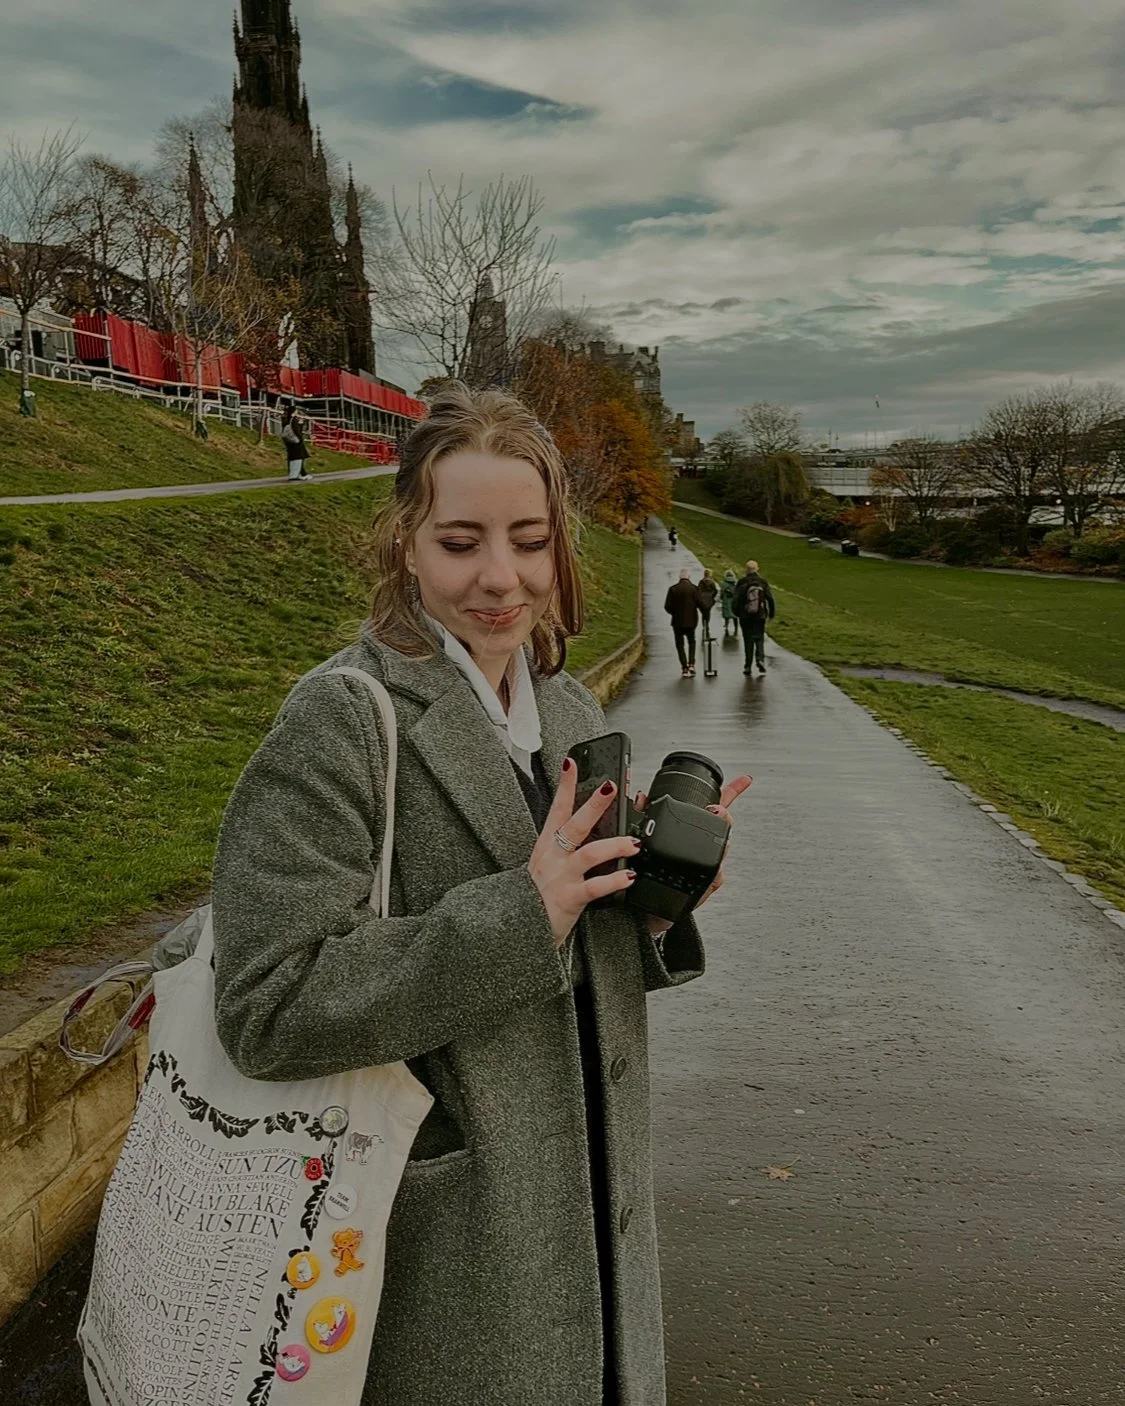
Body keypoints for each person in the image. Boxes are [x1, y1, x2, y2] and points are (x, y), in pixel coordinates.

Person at [210, 382, 752, 1406]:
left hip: (600, 1262)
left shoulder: (567, 703)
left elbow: (575, 957)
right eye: (461, 541)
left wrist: (661, 907)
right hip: (452, 1278)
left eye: (529, 540)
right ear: (407, 542)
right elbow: (266, 1003)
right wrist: (525, 911)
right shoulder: (341, 719)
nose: (501, 577)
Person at [732, 558, 776, 675]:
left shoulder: (742, 582)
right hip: (759, 616)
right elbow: (770, 599)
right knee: (759, 638)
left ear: (746, 570)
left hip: (745, 617)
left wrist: (737, 613)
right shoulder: (762, 582)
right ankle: (760, 659)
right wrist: (771, 613)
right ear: (757, 569)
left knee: (748, 640)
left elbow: (735, 600)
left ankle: (748, 666)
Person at [664, 566, 704, 678]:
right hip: (691, 621)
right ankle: (691, 663)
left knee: (680, 644)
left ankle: (684, 667)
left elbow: (667, 606)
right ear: (689, 577)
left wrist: (674, 613)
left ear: (679, 577)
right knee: (692, 641)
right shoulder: (694, 589)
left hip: (677, 621)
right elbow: (700, 604)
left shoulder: (673, 589)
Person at [281, 402, 311, 480]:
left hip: (288, 441)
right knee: (299, 457)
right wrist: (301, 425)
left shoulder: (285, 419)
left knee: (292, 458)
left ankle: (295, 474)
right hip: (295, 441)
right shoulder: (293, 420)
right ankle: (299, 474)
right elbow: (297, 431)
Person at [696, 569, 719, 638]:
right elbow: (715, 590)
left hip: (702, 600)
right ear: (710, 574)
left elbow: (698, 590)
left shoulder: (701, 582)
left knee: (703, 613)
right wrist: (712, 596)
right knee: (708, 612)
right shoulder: (712, 582)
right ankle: (707, 624)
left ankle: (704, 624)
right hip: (709, 599)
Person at [719, 567, 739, 638]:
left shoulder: (723, 583)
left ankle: (726, 626)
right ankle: (736, 628)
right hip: (734, 602)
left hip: (726, 601)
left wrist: (721, 598)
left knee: (727, 615)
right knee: (735, 616)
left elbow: (721, 593)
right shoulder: (736, 583)